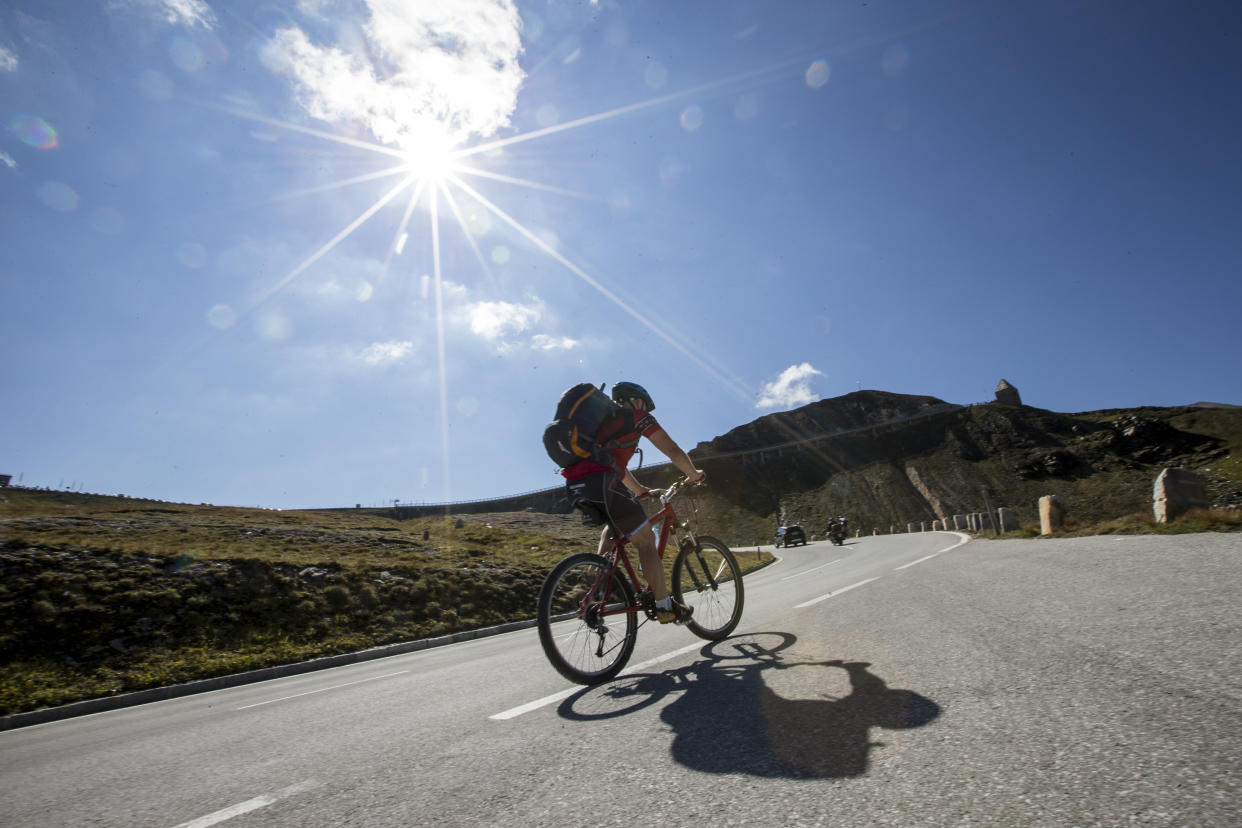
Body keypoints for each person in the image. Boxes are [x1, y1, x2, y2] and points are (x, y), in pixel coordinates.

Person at [562, 381, 706, 623]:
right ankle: (664, 606)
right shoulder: (637, 417)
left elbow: (617, 466)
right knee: (647, 540)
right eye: (645, 405)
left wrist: (639, 490)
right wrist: (693, 474)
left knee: (613, 527)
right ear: (635, 401)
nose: (646, 410)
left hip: (576, 485)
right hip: (604, 482)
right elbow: (672, 450)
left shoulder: (601, 422)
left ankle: (596, 579)